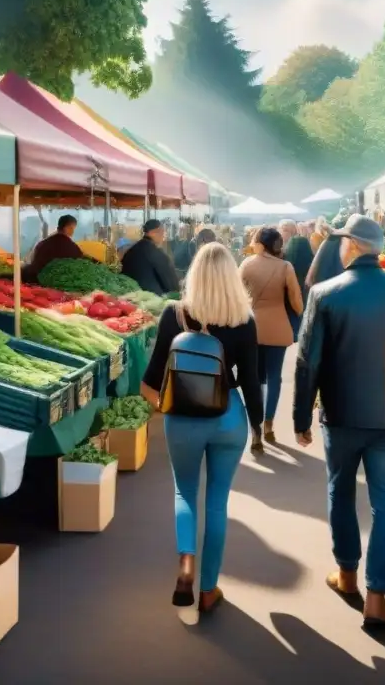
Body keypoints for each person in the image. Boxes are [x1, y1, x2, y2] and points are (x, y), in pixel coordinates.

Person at [293, 214, 385, 628]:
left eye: (341, 242)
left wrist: (301, 416)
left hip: (340, 415)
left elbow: (307, 363)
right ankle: (377, 598)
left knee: (340, 492)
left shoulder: (325, 293)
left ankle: (347, 575)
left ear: (352, 246)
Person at [140, 242, 263, 615]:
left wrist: (167, 408)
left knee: (185, 492)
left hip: (184, 421)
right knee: (217, 502)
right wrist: (257, 427)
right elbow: (253, 382)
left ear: (192, 276)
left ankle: (186, 565)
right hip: (228, 418)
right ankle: (209, 590)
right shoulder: (244, 320)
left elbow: (150, 380)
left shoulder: (173, 315)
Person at [239, 228, 304, 448]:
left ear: (259, 243)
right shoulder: (286, 267)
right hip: (278, 326)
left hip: (251, 327)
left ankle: (254, 427)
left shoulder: (246, 264)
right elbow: (296, 301)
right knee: (274, 376)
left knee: (254, 378)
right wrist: (298, 312)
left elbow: (238, 295)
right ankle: (268, 424)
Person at [121, 219, 180, 295]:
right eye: (162, 232)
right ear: (155, 232)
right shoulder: (158, 254)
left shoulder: (130, 252)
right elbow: (171, 284)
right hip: (153, 301)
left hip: (129, 297)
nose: (163, 236)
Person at [22, 214, 87, 283]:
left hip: (36, 281)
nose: (73, 232)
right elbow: (79, 268)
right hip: (61, 284)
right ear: (67, 228)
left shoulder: (42, 244)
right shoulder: (73, 248)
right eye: (73, 228)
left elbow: (33, 262)